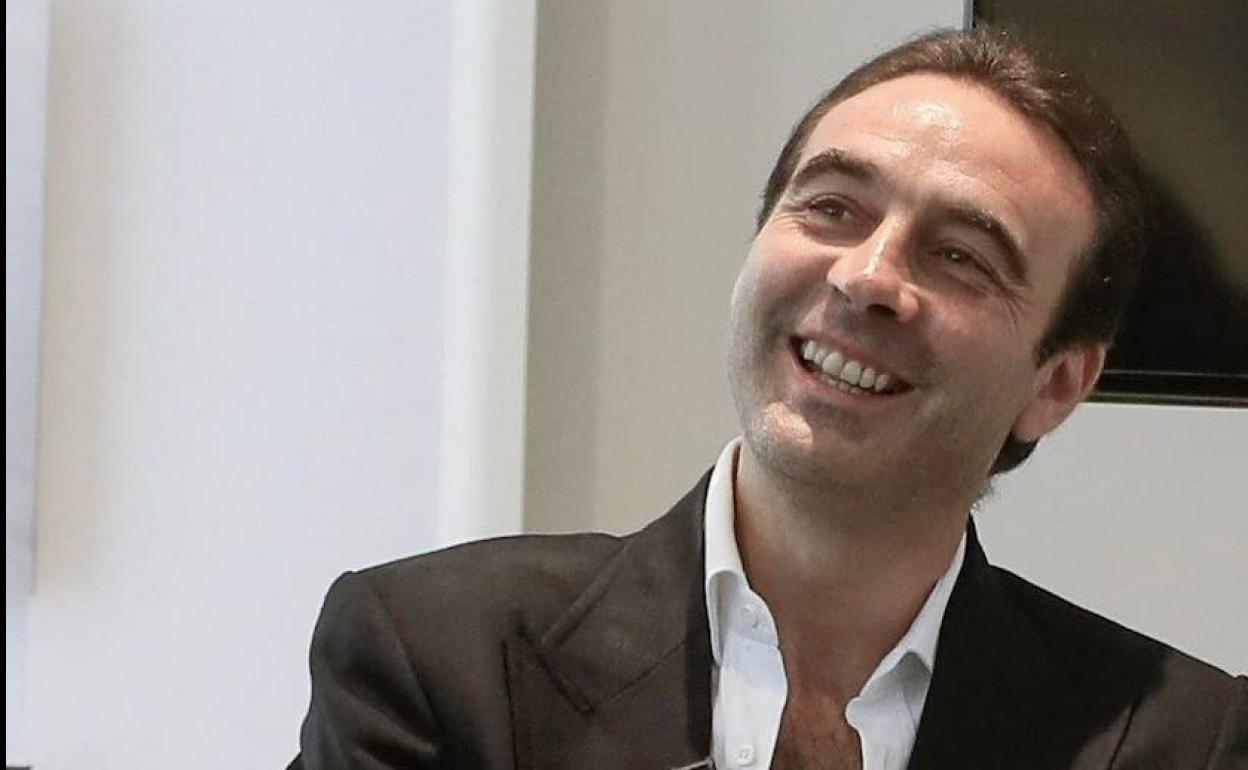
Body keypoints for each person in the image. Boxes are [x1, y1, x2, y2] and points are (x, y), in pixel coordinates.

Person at [288, 27, 1247, 769]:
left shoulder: (1183, 740)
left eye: (961, 255)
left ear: (1056, 384)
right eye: (831, 208)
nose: (867, 276)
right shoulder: (435, 653)